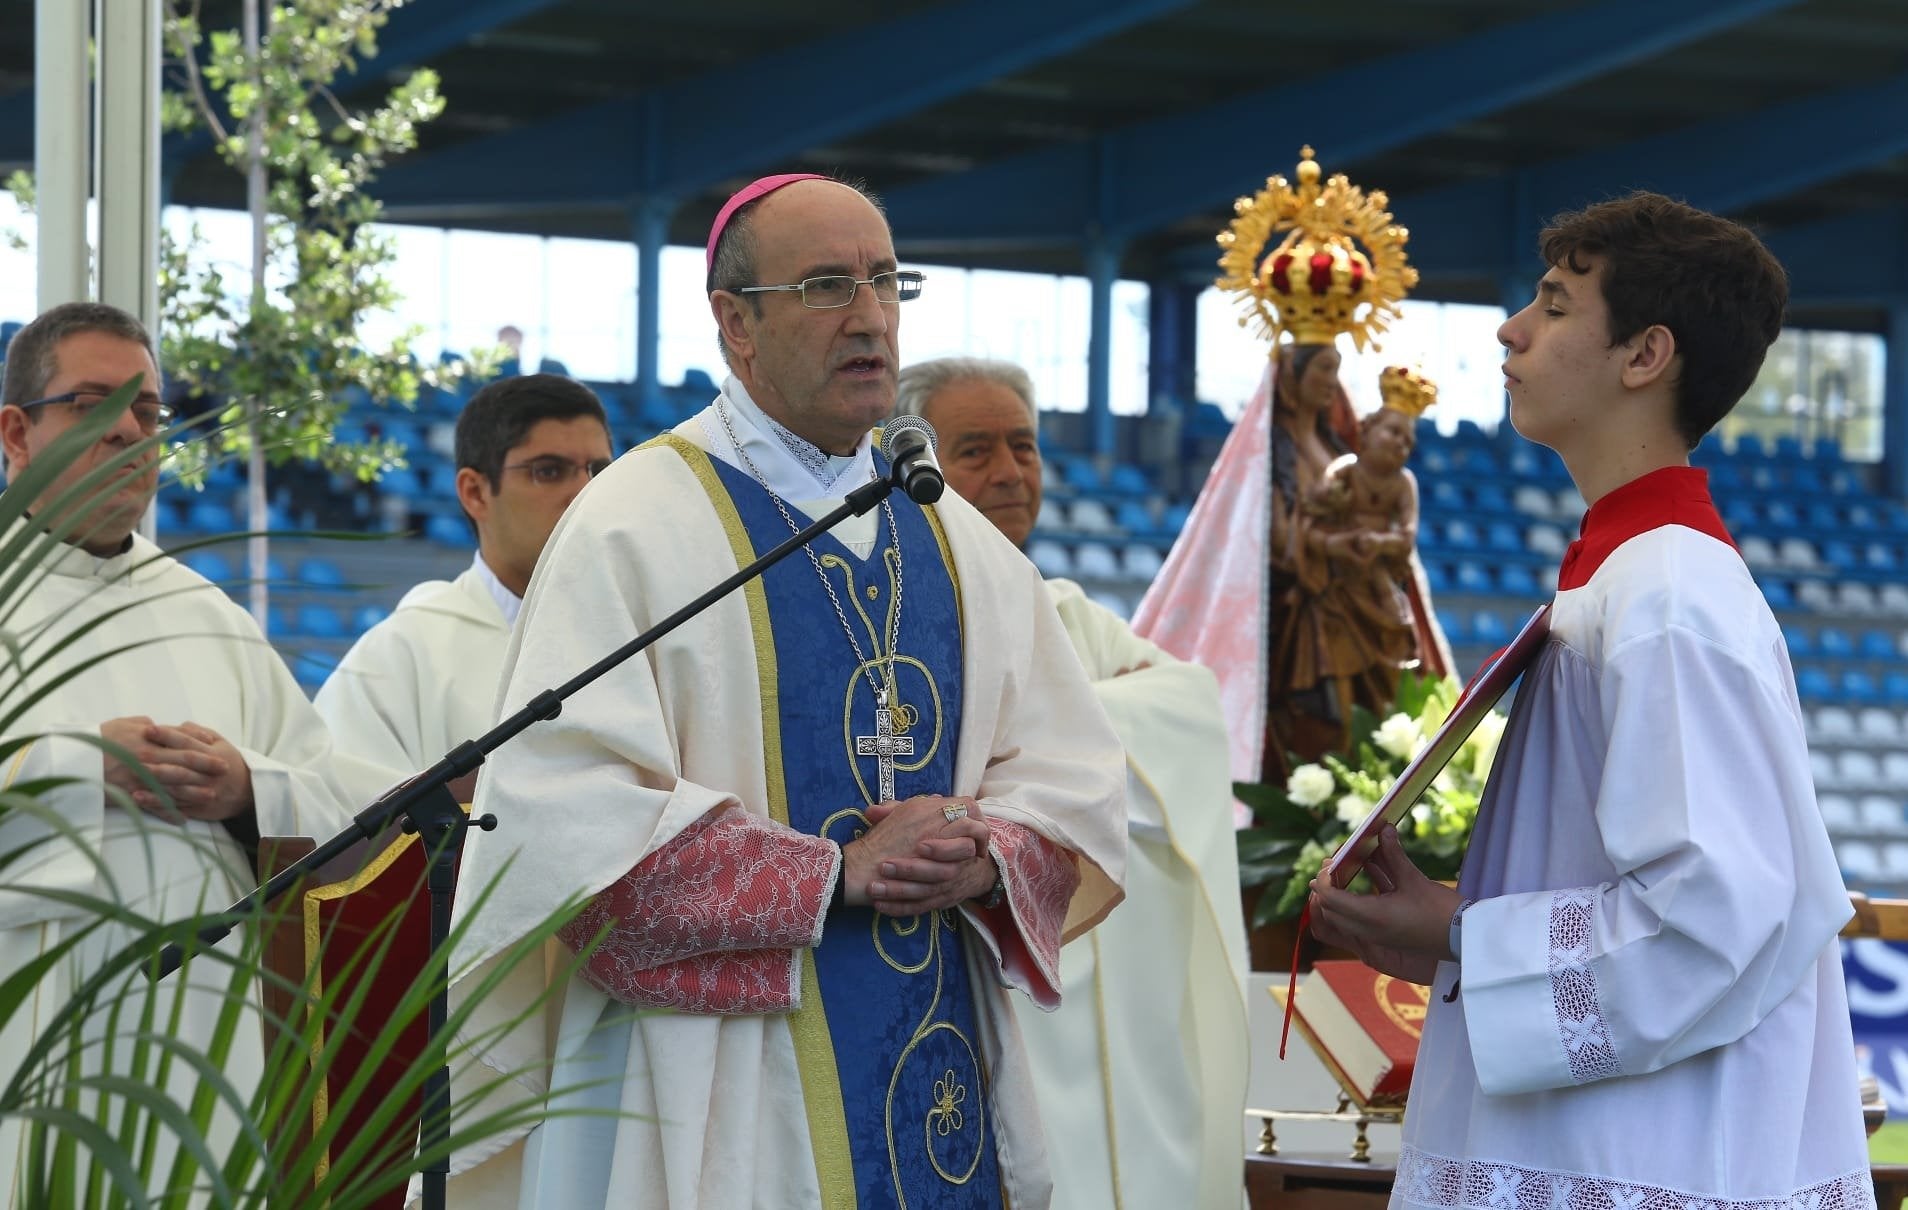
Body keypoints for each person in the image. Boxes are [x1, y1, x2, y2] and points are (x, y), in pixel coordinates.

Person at [445, 174, 1127, 1209]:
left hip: (935, 1045)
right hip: (720, 1075)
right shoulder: (638, 522)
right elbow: (561, 815)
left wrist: (983, 850)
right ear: (736, 322)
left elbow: (1077, 783)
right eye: (824, 286)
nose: (868, 318)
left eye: (886, 282)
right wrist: (831, 873)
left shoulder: (957, 538)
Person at [1307, 193, 1873, 1206]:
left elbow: (1713, 915)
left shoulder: (1667, 595)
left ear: (1645, 355)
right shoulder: (1631, 576)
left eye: (1557, 305)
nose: (1510, 328)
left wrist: (1461, 931)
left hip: (1643, 1148)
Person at [0, 302, 368, 1197]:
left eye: (149, 409)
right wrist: (73, 766)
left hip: (207, 1037)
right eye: (94, 401)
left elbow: (342, 800)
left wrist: (251, 789)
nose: (130, 429)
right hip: (32, 1026)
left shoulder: (207, 614)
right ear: (16, 431)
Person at [895, 354, 1249, 1210]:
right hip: (959, 981)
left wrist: (1045, 751)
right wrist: (1069, 750)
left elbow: (1191, 708)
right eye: (976, 449)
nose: (1011, 472)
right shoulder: (889, 614)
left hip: (1108, 1006)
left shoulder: (1063, 612)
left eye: (1025, 446)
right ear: (910, 465)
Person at [1133, 148, 1449, 795]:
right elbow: (1273, 541)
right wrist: (1327, 545)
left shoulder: (1342, 444)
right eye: (1324, 369)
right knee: (1325, 731)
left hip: (1362, 605)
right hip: (1307, 618)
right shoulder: (1272, 453)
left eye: (1338, 368)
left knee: (1379, 722)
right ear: (1295, 374)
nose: (1336, 379)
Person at [315, 374, 613, 784]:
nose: (585, 491)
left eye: (598, 470)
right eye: (548, 471)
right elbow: (338, 809)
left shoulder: (649, 634)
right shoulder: (404, 654)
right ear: (475, 492)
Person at [1282, 367, 1437, 753]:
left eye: (1408, 440)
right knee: (1337, 676)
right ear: (1366, 431)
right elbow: (1308, 522)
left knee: (1400, 645)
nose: (1401, 444)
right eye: (1393, 432)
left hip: (1377, 582)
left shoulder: (1404, 484)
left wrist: (1377, 542)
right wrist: (1339, 542)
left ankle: (1386, 747)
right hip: (1336, 591)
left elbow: (1406, 536)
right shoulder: (1344, 471)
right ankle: (1344, 747)